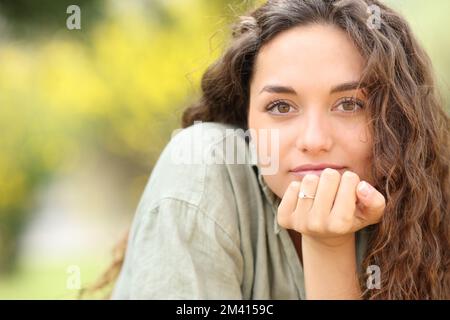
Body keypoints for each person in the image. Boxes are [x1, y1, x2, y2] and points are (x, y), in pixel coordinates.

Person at [93, 0, 449, 299]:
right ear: (245, 117)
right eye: (281, 106)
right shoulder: (203, 169)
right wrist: (326, 244)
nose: (314, 139)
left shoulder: (428, 199)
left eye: (350, 104)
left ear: (398, 120)